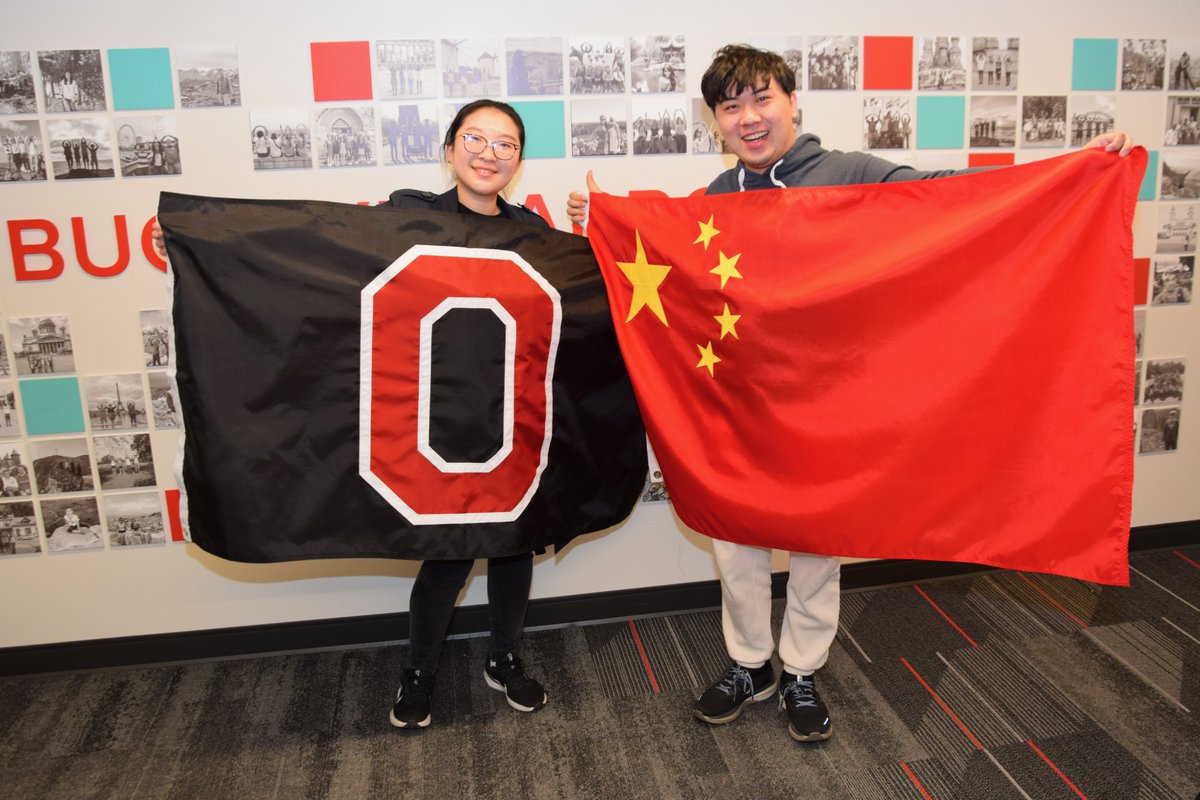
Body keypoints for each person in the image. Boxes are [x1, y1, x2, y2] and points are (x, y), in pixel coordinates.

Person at [567, 43, 1134, 745]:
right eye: (731, 105)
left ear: (792, 101)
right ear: (715, 120)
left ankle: (802, 667)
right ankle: (751, 664)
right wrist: (599, 218)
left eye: (761, 99)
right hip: (739, 410)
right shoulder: (715, 202)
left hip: (829, 405)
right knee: (735, 547)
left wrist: (1072, 172)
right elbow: (662, 264)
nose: (749, 117)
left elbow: (952, 196)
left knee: (817, 545)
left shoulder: (851, 174)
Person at [151, 99, 551, 731]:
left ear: (519, 161)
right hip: (430, 422)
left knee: (512, 548)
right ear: (449, 149)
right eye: (476, 138)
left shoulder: (534, 234)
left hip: (507, 421)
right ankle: (419, 669)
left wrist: (606, 230)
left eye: (506, 144)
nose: (489, 153)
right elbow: (312, 248)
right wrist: (196, 237)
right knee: (447, 554)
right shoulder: (404, 217)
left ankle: (504, 657)